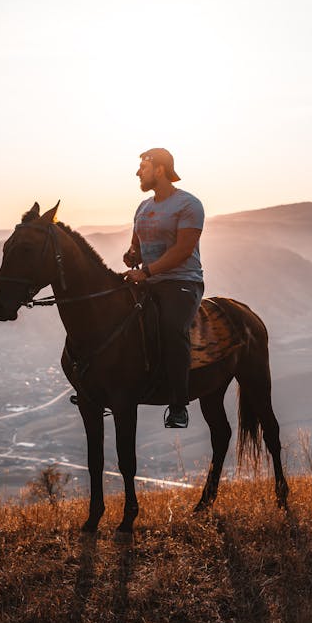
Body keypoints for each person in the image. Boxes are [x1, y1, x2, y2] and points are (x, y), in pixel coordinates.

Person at [124, 148, 204, 428]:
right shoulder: (143, 208)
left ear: (159, 170)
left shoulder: (188, 205)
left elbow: (182, 251)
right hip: (148, 280)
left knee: (172, 327)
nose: (137, 173)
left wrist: (146, 272)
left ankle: (179, 405)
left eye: (143, 168)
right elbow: (136, 245)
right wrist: (133, 255)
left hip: (182, 281)